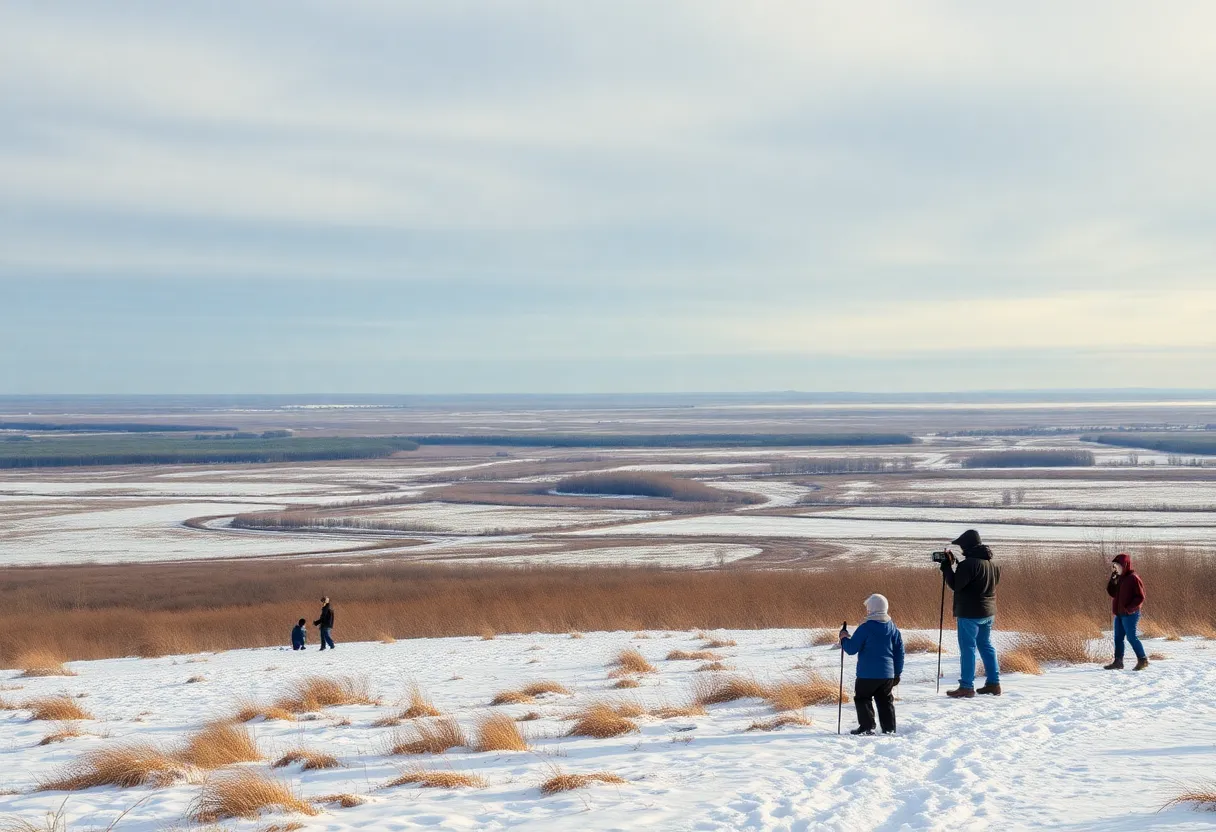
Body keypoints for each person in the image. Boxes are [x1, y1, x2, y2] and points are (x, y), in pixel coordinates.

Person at [940, 529, 1001, 698]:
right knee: (986, 646)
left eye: (961, 546)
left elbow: (956, 585)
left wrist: (947, 568)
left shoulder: (968, 564)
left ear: (967, 546)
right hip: (988, 612)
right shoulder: (992, 564)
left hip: (969, 613)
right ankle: (994, 683)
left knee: (968, 649)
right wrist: (956, 566)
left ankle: (966, 686)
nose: (961, 549)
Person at [839, 593, 905, 735]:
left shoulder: (865, 628)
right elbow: (900, 651)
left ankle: (867, 727)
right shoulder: (892, 628)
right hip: (887, 675)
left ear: (871, 609)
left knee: (862, 698)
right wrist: (897, 673)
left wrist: (844, 638)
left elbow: (851, 649)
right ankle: (889, 728)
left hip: (866, 675)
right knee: (885, 700)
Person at [1104, 553, 1148, 671]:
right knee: (1118, 638)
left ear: (1125, 565)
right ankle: (1118, 662)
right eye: (1114, 566)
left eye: (1118, 566)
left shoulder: (1133, 578)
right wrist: (1113, 581)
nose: (1115, 568)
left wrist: (1130, 608)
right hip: (1119, 614)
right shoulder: (1118, 577)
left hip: (1130, 614)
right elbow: (1112, 593)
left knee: (1131, 637)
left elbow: (1141, 596)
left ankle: (1143, 660)